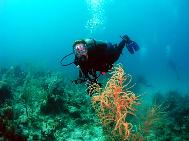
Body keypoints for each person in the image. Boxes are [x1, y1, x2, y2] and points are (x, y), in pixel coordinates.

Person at [72, 35, 140, 85]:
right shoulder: (78, 61)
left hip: (107, 54)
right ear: (75, 53)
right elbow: (86, 73)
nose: (81, 53)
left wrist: (106, 66)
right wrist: (91, 83)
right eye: (78, 51)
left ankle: (124, 40)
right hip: (98, 63)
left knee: (116, 54)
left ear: (86, 48)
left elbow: (100, 66)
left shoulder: (94, 51)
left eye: (83, 49)